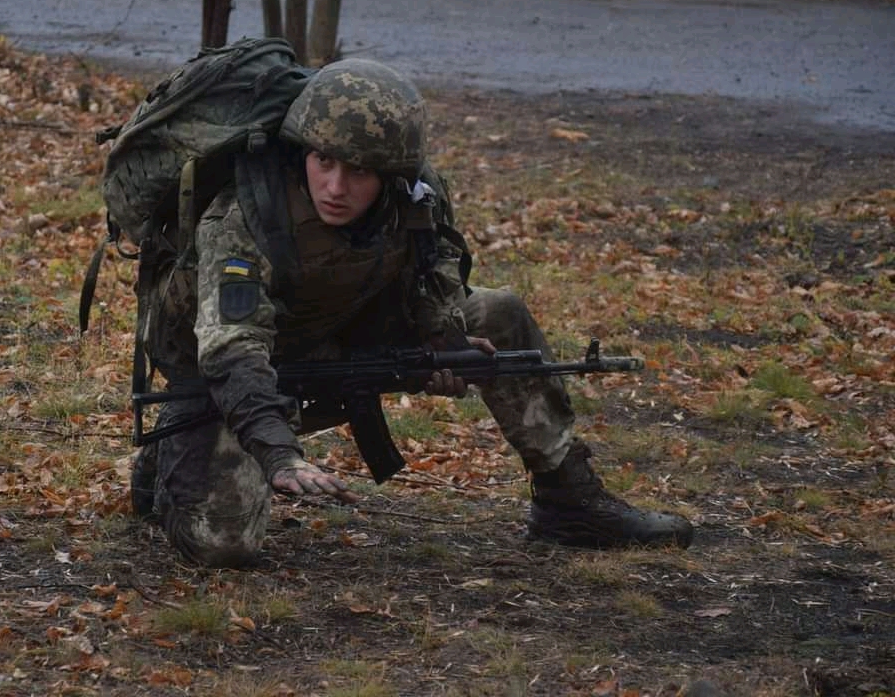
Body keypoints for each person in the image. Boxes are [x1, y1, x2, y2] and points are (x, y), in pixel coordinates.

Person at [129, 58, 693, 567]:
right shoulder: (247, 213)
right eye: (323, 162)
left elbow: (439, 283)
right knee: (224, 545)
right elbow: (232, 348)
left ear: (391, 173)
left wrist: (444, 350)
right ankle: (169, 466)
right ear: (303, 148)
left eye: (359, 171)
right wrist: (280, 454)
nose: (335, 186)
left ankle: (569, 497)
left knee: (497, 312)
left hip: (337, 333)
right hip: (224, 369)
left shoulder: (417, 199)